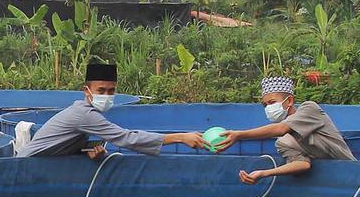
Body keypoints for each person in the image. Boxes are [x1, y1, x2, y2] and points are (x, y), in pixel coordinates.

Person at [18, 62, 205, 158]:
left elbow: (61, 143)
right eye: (101, 91)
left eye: (111, 91)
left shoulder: (85, 112)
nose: (106, 95)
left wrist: (87, 152)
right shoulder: (84, 115)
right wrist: (180, 137)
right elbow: (126, 138)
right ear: (87, 91)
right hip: (25, 167)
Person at [214, 75, 355, 183]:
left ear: (289, 101)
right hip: (330, 182)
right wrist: (264, 173)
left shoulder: (309, 109)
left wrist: (239, 135)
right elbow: (302, 165)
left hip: (352, 173)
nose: (268, 108)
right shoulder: (284, 142)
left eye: (272, 102)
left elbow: (281, 128)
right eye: (265, 105)